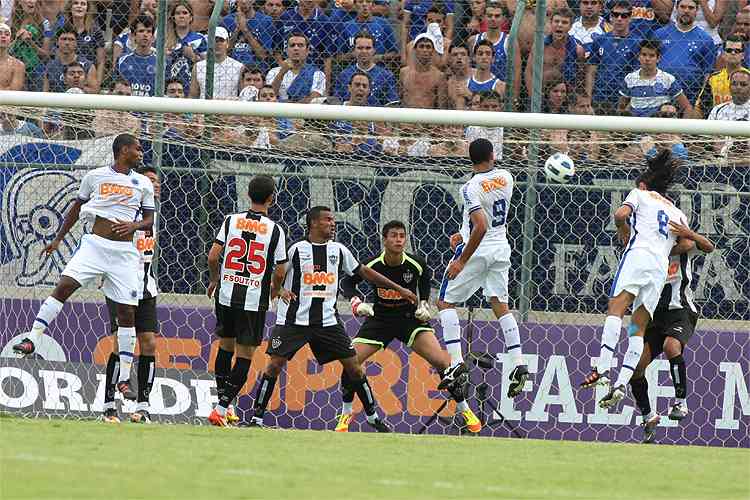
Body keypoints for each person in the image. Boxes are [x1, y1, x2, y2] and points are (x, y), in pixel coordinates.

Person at [12, 134, 155, 411]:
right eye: (137, 148)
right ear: (123, 150)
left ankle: (124, 378)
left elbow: (149, 218)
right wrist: (57, 239)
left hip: (125, 254)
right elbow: (77, 208)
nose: (140, 152)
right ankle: (33, 338)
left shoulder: (143, 182)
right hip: (94, 246)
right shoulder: (95, 176)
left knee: (127, 314)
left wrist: (135, 226)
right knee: (64, 286)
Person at [248, 206, 418, 430]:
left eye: (333, 219)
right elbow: (274, 274)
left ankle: (372, 416)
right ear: (313, 224)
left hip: (328, 323)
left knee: (354, 366)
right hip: (293, 321)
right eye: (328, 219)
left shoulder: (338, 250)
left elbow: (364, 272)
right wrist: (278, 290)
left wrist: (399, 289)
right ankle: (256, 419)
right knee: (274, 366)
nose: (333, 223)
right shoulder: (296, 250)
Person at [338, 220, 482, 433]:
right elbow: (347, 282)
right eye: (394, 235)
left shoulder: (415, 263)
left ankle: (464, 409)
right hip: (380, 320)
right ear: (384, 239)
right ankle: (346, 413)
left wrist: (424, 303)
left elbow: (424, 279)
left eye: (402, 236)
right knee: (351, 362)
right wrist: (356, 302)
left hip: (409, 319)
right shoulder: (372, 264)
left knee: (442, 361)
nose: (398, 239)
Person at [580, 149, 689, 410]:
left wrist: (623, 229)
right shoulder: (677, 213)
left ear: (643, 184)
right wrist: (662, 248)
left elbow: (619, 215)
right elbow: (685, 244)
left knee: (615, 311)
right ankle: (621, 382)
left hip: (638, 257)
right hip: (658, 267)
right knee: (637, 328)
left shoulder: (639, 194)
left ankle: (603, 369)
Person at [436, 138, 529, 399]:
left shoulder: (469, 188)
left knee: (444, 302)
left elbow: (480, 225)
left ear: (470, 158)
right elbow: (486, 217)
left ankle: (455, 364)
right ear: (492, 154)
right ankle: (519, 363)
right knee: (501, 305)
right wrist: (461, 232)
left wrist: (462, 259)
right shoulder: (507, 177)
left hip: (478, 250)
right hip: (501, 248)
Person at [205, 175, 288, 427]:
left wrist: (214, 279)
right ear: (271, 198)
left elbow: (212, 256)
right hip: (253, 300)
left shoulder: (231, 221)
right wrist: (274, 290)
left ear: (248, 195)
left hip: (227, 294)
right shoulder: (275, 230)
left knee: (224, 348)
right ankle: (221, 409)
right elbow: (281, 270)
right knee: (244, 356)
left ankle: (225, 405)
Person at [630, 223, 715, 443]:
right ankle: (648, 417)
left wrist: (689, 234)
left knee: (671, 346)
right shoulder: (648, 253)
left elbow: (708, 246)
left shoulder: (683, 246)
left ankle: (680, 402)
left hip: (681, 312)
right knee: (636, 366)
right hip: (654, 316)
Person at [101, 165, 161, 424]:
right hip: (120, 286)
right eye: (149, 181)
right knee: (120, 343)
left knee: (148, 343)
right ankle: (108, 407)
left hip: (146, 286)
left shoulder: (153, 215)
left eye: (157, 182)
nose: (155, 185)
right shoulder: (120, 212)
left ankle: (143, 407)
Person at [585, 0, 641, 117]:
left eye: (624, 15)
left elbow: (638, 76)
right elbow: (591, 72)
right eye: (615, 15)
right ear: (610, 17)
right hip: (600, 96)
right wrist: (588, 100)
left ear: (630, 18)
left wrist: (630, 102)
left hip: (623, 97)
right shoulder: (600, 40)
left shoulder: (637, 43)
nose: (619, 19)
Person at [654, 0, 716, 106]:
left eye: (691, 8)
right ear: (676, 9)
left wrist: (699, 101)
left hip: (691, 96)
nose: (686, 11)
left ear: (697, 11)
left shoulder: (706, 40)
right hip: (660, 94)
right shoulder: (659, 35)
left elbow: (707, 74)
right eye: (682, 7)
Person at [618, 39, 693, 118]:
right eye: (644, 55)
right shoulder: (630, 79)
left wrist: (683, 128)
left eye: (652, 55)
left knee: (668, 110)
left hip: (659, 127)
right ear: (638, 57)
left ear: (658, 58)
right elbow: (621, 107)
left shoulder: (667, 79)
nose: (647, 59)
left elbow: (687, 107)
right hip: (636, 125)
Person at [467, 1, 520, 104]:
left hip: (500, 95)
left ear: (503, 18)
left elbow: (516, 72)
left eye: (497, 16)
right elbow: (469, 68)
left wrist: (514, 99)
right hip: (476, 93)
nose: (493, 19)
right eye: (490, 15)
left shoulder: (510, 42)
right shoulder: (473, 40)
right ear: (484, 17)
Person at [334, 31, 399, 106]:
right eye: (360, 48)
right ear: (354, 50)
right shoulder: (343, 75)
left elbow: (391, 105)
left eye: (368, 48)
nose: (364, 51)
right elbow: (337, 103)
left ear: (374, 50)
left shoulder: (387, 76)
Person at [266, 32, 326, 103]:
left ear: (307, 50)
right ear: (286, 50)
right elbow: (269, 96)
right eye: (292, 45)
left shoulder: (317, 74)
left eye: (300, 45)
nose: (296, 48)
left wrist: (291, 107)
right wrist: (282, 72)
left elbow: (314, 98)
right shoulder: (274, 72)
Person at [696, 38, 749, 118]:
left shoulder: (749, 77)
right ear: (723, 54)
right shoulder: (713, 79)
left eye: (737, 51)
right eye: (729, 50)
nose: (733, 53)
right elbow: (701, 107)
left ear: (743, 55)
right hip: (719, 120)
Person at [189, 26, 243, 99]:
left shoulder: (238, 67)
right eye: (214, 40)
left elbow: (242, 95)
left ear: (227, 42)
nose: (217, 43)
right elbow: (193, 96)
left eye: (221, 40)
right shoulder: (198, 67)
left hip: (229, 108)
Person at [43, 23, 97, 93]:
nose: (67, 42)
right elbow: (45, 92)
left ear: (76, 43)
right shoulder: (50, 66)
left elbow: (95, 91)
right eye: (64, 39)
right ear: (57, 42)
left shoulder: (88, 66)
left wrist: (78, 89)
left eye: (71, 39)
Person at [399, 32, 447, 108]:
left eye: (428, 47)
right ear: (415, 50)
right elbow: (400, 97)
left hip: (428, 117)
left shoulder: (439, 76)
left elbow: (441, 106)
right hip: (407, 116)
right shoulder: (404, 72)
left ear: (433, 51)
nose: (425, 50)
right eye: (421, 46)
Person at [115, 15, 157, 96]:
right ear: (133, 36)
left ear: (152, 37)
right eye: (141, 31)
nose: (145, 35)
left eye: (148, 31)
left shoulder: (162, 62)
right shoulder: (122, 60)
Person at [0, 23, 26, 91]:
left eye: (7, 34)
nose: (3, 36)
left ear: (10, 40)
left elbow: (14, 91)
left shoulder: (18, 65)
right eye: (0, 33)